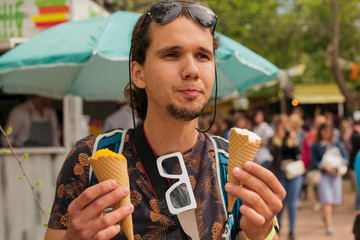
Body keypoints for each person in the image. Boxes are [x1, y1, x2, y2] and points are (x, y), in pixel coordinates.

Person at [44, 1, 285, 239]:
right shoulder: (89, 160)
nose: (192, 70)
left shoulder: (235, 169)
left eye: (203, 55)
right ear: (139, 74)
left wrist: (262, 234)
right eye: (172, 54)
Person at [311, 122, 349, 236]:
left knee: (334, 201)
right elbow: (314, 161)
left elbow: (345, 157)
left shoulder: (336, 143)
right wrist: (323, 166)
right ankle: (329, 226)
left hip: (335, 176)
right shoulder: (315, 145)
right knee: (327, 201)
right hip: (324, 176)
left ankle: (326, 216)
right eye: (324, 130)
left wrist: (339, 166)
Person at [269, 116, 302, 240]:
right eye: (282, 127)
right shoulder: (273, 140)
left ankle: (292, 230)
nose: (285, 130)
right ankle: (279, 227)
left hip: (294, 173)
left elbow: (298, 151)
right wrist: (282, 139)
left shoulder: (293, 138)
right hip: (280, 173)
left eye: (286, 127)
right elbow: (274, 153)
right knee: (280, 204)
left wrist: (293, 138)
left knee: (292, 204)